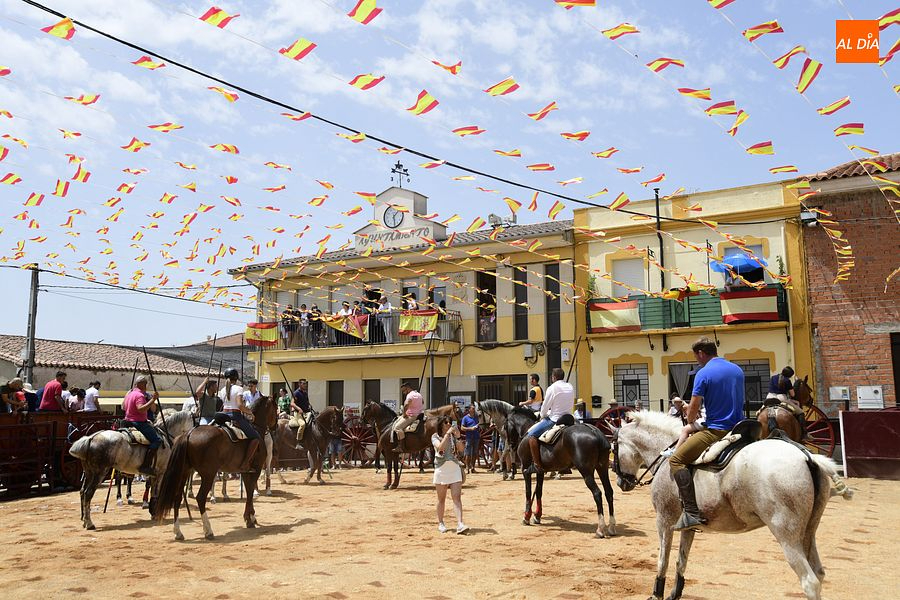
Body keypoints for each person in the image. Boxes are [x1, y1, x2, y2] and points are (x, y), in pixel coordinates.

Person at [669, 337, 744, 531]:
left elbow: (693, 410)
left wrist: (688, 412)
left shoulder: (703, 373)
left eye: (696, 357)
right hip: (741, 428)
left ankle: (691, 513)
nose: (697, 361)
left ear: (701, 353)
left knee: (676, 460)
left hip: (717, 431)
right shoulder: (737, 369)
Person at [523, 368, 575, 474]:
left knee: (531, 436)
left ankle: (537, 465)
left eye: (552, 376)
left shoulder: (552, 388)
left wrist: (542, 415)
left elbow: (545, 407)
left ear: (554, 377)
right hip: (569, 417)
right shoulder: (570, 386)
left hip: (555, 419)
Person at [432, 415, 468, 534]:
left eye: (450, 423)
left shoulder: (453, 436)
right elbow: (440, 448)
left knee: (457, 498)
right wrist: (448, 434)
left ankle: (460, 523)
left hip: (454, 467)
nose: (449, 424)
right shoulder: (435, 436)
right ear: (441, 424)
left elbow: (461, 449)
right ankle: (441, 522)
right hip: (442, 469)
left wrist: (458, 437)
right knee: (441, 499)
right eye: (446, 423)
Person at [218, 368, 260, 472]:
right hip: (235, 416)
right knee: (256, 438)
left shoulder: (222, 390)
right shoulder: (238, 389)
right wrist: (250, 412)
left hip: (223, 415)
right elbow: (240, 406)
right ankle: (245, 463)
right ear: (236, 378)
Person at [123, 375, 161, 475]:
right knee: (157, 440)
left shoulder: (130, 394)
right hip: (138, 422)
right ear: (141, 384)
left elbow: (123, 407)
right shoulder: (140, 395)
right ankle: (145, 466)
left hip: (127, 421)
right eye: (145, 384)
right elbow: (141, 409)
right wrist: (153, 400)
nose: (146, 386)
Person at [392, 381, 424, 452]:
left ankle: (401, 446)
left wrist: (404, 414)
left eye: (404, 391)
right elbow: (423, 402)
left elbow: (406, 405)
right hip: (419, 415)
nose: (403, 393)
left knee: (397, 427)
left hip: (411, 416)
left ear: (407, 388)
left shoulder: (410, 395)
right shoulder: (418, 394)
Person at [460, 405, 480, 474]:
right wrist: (470, 429)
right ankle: (467, 467)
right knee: (468, 453)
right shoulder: (465, 418)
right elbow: (462, 428)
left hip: (476, 437)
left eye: (474, 408)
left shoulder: (477, 418)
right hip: (469, 437)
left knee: (474, 453)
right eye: (473, 408)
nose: (474, 410)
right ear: (469, 410)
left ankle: (473, 467)